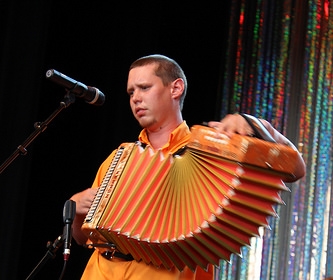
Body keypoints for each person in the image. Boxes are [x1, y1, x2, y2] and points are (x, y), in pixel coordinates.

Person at [70, 54, 306, 280]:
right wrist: (77, 208)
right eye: (131, 92)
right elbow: (83, 237)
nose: (135, 98)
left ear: (176, 88)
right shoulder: (119, 158)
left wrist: (257, 125)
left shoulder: (212, 146)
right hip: (100, 272)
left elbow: (295, 168)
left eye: (144, 88)